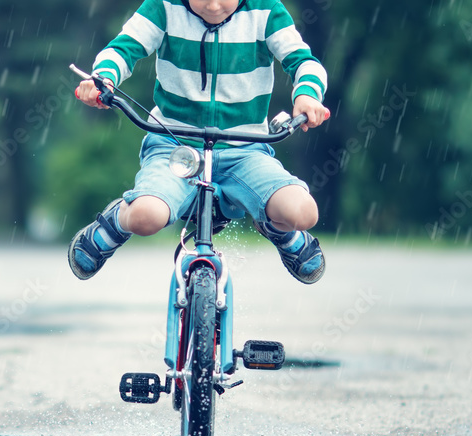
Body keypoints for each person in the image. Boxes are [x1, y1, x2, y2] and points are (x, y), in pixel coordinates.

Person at [69, 0, 330, 284]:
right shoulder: (163, 7)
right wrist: (104, 78)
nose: (214, 5)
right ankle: (115, 223)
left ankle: (278, 228)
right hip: (175, 145)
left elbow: (304, 61)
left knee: (303, 212)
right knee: (147, 217)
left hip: (245, 150)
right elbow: (123, 48)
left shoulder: (266, 11)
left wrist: (307, 94)